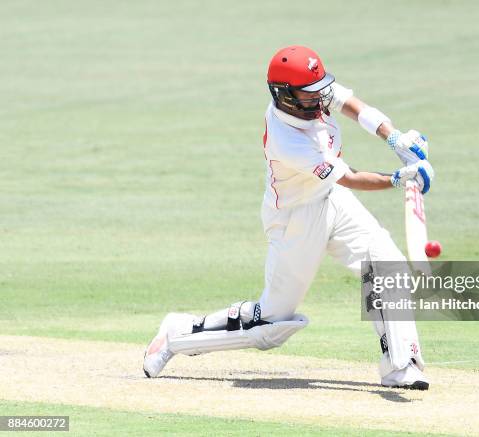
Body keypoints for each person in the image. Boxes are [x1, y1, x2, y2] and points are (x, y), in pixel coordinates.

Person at [143, 45, 435, 389]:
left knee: (387, 262)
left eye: (320, 90)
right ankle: (178, 333)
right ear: (284, 96)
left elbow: (352, 106)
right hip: (297, 219)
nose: (320, 99)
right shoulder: (287, 139)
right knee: (273, 323)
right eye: (310, 95)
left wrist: (394, 137)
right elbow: (349, 177)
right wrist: (398, 179)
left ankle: (401, 364)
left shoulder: (310, 91)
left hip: (332, 199)